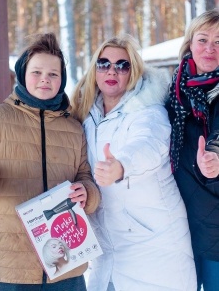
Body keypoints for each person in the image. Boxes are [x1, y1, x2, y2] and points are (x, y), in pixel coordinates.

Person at [0, 33, 100, 291]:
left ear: (62, 79)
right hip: (11, 262)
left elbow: (85, 175)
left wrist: (86, 192)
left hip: (66, 263)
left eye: (53, 74)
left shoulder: (73, 127)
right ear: (23, 74)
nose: (45, 78)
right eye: (37, 72)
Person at [70, 33, 197, 291]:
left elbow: (149, 145)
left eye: (122, 65)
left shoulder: (148, 111)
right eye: (104, 64)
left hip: (154, 247)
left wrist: (121, 166)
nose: (112, 70)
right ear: (94, 70)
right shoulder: (86, 114)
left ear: (134, 71)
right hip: (108, 249)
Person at [166, 9, 219, 291]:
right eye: (203, 39)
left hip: (215, 230)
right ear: (189, 44)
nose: (210, 48)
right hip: (177, 225)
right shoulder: (172, 93)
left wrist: (215, 158)